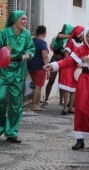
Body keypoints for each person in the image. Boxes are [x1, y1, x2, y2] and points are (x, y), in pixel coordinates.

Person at [43, 26, 89, 150]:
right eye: (88, 35)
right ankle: (80, 139)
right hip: (85, 80)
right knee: (81, 109)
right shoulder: (81, 49)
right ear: (84, 37)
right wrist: (53, 66)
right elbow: (68, 61)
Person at [0, 10, 35, 143]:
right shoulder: (3, 34)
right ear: (15, 19)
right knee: (0, 98)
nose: (25, 21)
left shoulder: (26, 34)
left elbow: (30, 48)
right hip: (2, 71)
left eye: (26, 19)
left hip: (18, 70)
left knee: (15, 103)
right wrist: (3, 50)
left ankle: (12, 132)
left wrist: (28, 54)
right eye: (23, 19)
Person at [43, 24, 73, 105]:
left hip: (64, 60)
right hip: (55, 58)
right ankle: (46, 99)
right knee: (51, 80)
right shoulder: (62, 34)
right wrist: (70, 35)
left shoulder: (71, 39)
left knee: (62, 81)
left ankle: (61, 100)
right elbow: (59, 36)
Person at [60, 26, 85, 115]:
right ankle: (65, 108)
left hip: (77, 69)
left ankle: (71, 107)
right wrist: (75, 63)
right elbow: (66, 55)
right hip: (69, 67)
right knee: (67, 88)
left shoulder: (83, 44)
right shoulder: (71, 42)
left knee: (74, 88)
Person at [27, 25, 50, 111]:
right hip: (39, 67)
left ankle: (36, 104)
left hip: (30, 66)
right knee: (38, 86)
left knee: (36, 85)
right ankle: (35, 105)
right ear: (44, 33)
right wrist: (48, 70)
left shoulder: (32, 40)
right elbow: (45, 57)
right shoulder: (43, 43)